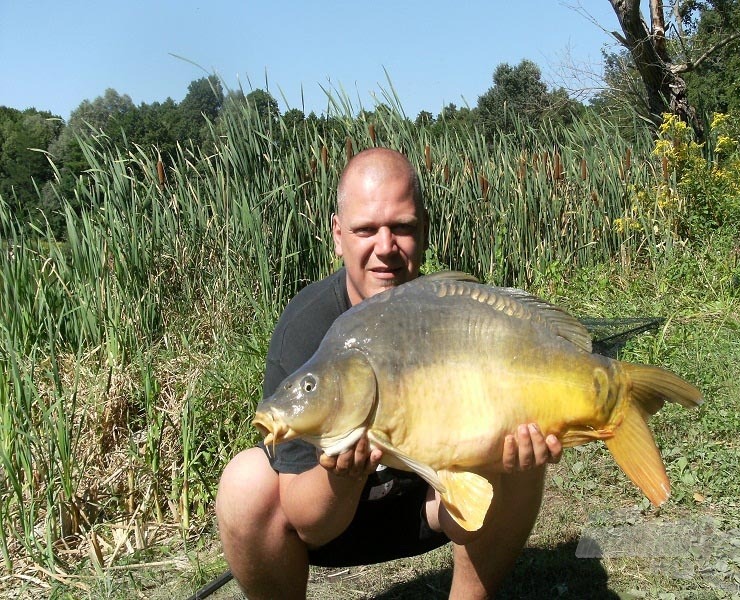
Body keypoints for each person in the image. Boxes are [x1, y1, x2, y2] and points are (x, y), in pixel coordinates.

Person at [216, 147, 562, 600]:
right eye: (365, 230)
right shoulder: (307, 329)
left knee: (520, 440)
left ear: (423, 230)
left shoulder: (449, 311)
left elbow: (465, 498)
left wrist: (501, 461)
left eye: (401, 227)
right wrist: (343, 475)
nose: (385, 248)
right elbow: (308, 523)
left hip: (434, 504)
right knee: (245, 484)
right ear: (338, 235)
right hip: (333, 519)